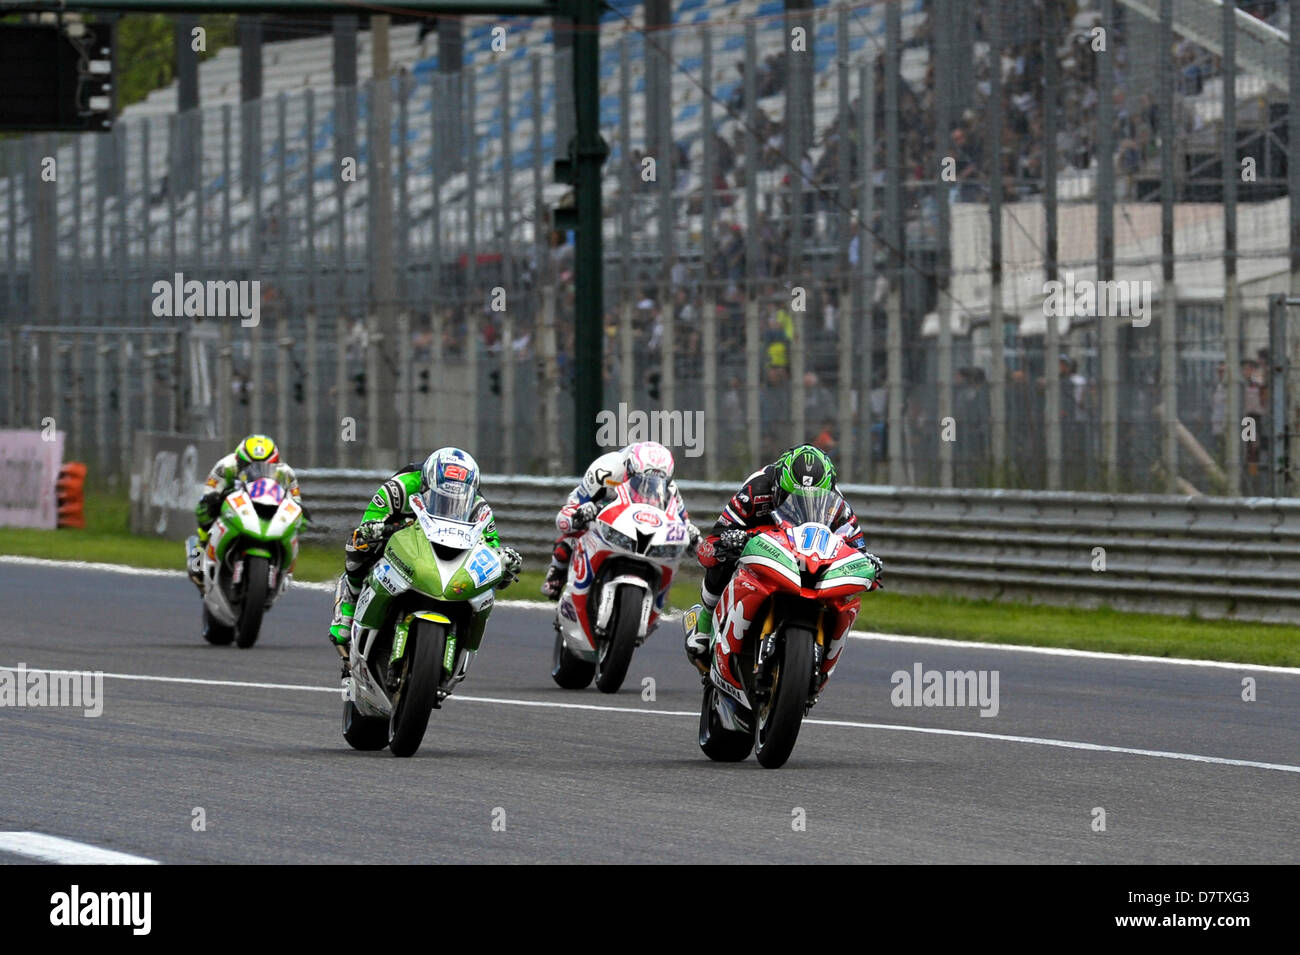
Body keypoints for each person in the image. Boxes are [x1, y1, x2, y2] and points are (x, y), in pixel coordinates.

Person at [684, 444, 883, 673]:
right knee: (723, 559)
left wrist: (870, 566)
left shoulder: (838, 506)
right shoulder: (756, 490)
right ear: (778, 486)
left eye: (815, 499)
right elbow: (712, 543)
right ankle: (705, 622)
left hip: (808, 551)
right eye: (792, 497)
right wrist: (729, 541)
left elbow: (858, 550)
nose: (804, 504)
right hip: (762, 538)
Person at [326, 447, 522, 655]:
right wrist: (375, 529)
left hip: (448, 548)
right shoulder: (399, 487)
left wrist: (503, 562)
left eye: (457, 500)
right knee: (358, 543)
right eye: (442, 497)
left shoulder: (479, 507)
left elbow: (491, 546)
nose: (450, 504)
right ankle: (349, 602)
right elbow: (368, 523)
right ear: (426, 484)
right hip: (402, 537)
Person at [540, 440, 700, 600]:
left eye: (658, 482)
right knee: (568, 524)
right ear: (630, 468)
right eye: (642, 479)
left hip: (639, 525)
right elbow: (576, 503)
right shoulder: (604, 469)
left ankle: (654, 599)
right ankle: (557, 569)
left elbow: (681, 520)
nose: (648, 486)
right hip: (601, 508)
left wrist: (692, 534)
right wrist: (583, 511)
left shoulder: (670, 488)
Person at [188, 434, 300, 589]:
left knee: (296, 525)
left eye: (266, 465)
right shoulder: (226, 466)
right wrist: (215, 498)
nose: (257, 469)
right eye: (249, 464)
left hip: (267, 506)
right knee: (205, 509)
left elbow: (295, 501)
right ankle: (200, 547)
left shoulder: (286, 473)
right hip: (233, 505)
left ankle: (286, 571)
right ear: (239, 459)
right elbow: (209, 491)